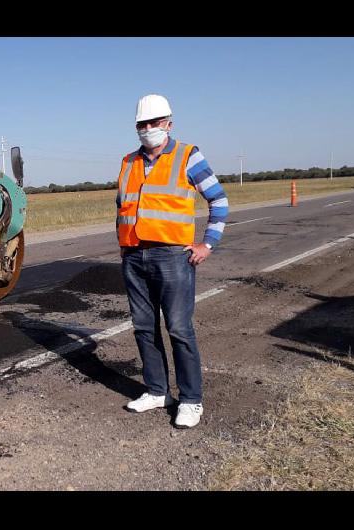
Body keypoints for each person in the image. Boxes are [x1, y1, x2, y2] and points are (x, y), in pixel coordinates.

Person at [115, 94, 228, 428]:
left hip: (172, 257)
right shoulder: (127, 161)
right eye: (142, 124)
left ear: (168, 124)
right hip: (135, 256)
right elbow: (123, 206)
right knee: (143, 327)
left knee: (179, 329)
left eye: (154, 123)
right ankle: (157, 391)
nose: (148, 129)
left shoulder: (187, 156)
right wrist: (122, 246)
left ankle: (191, 400)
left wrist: (208, 243)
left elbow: (218, 201)